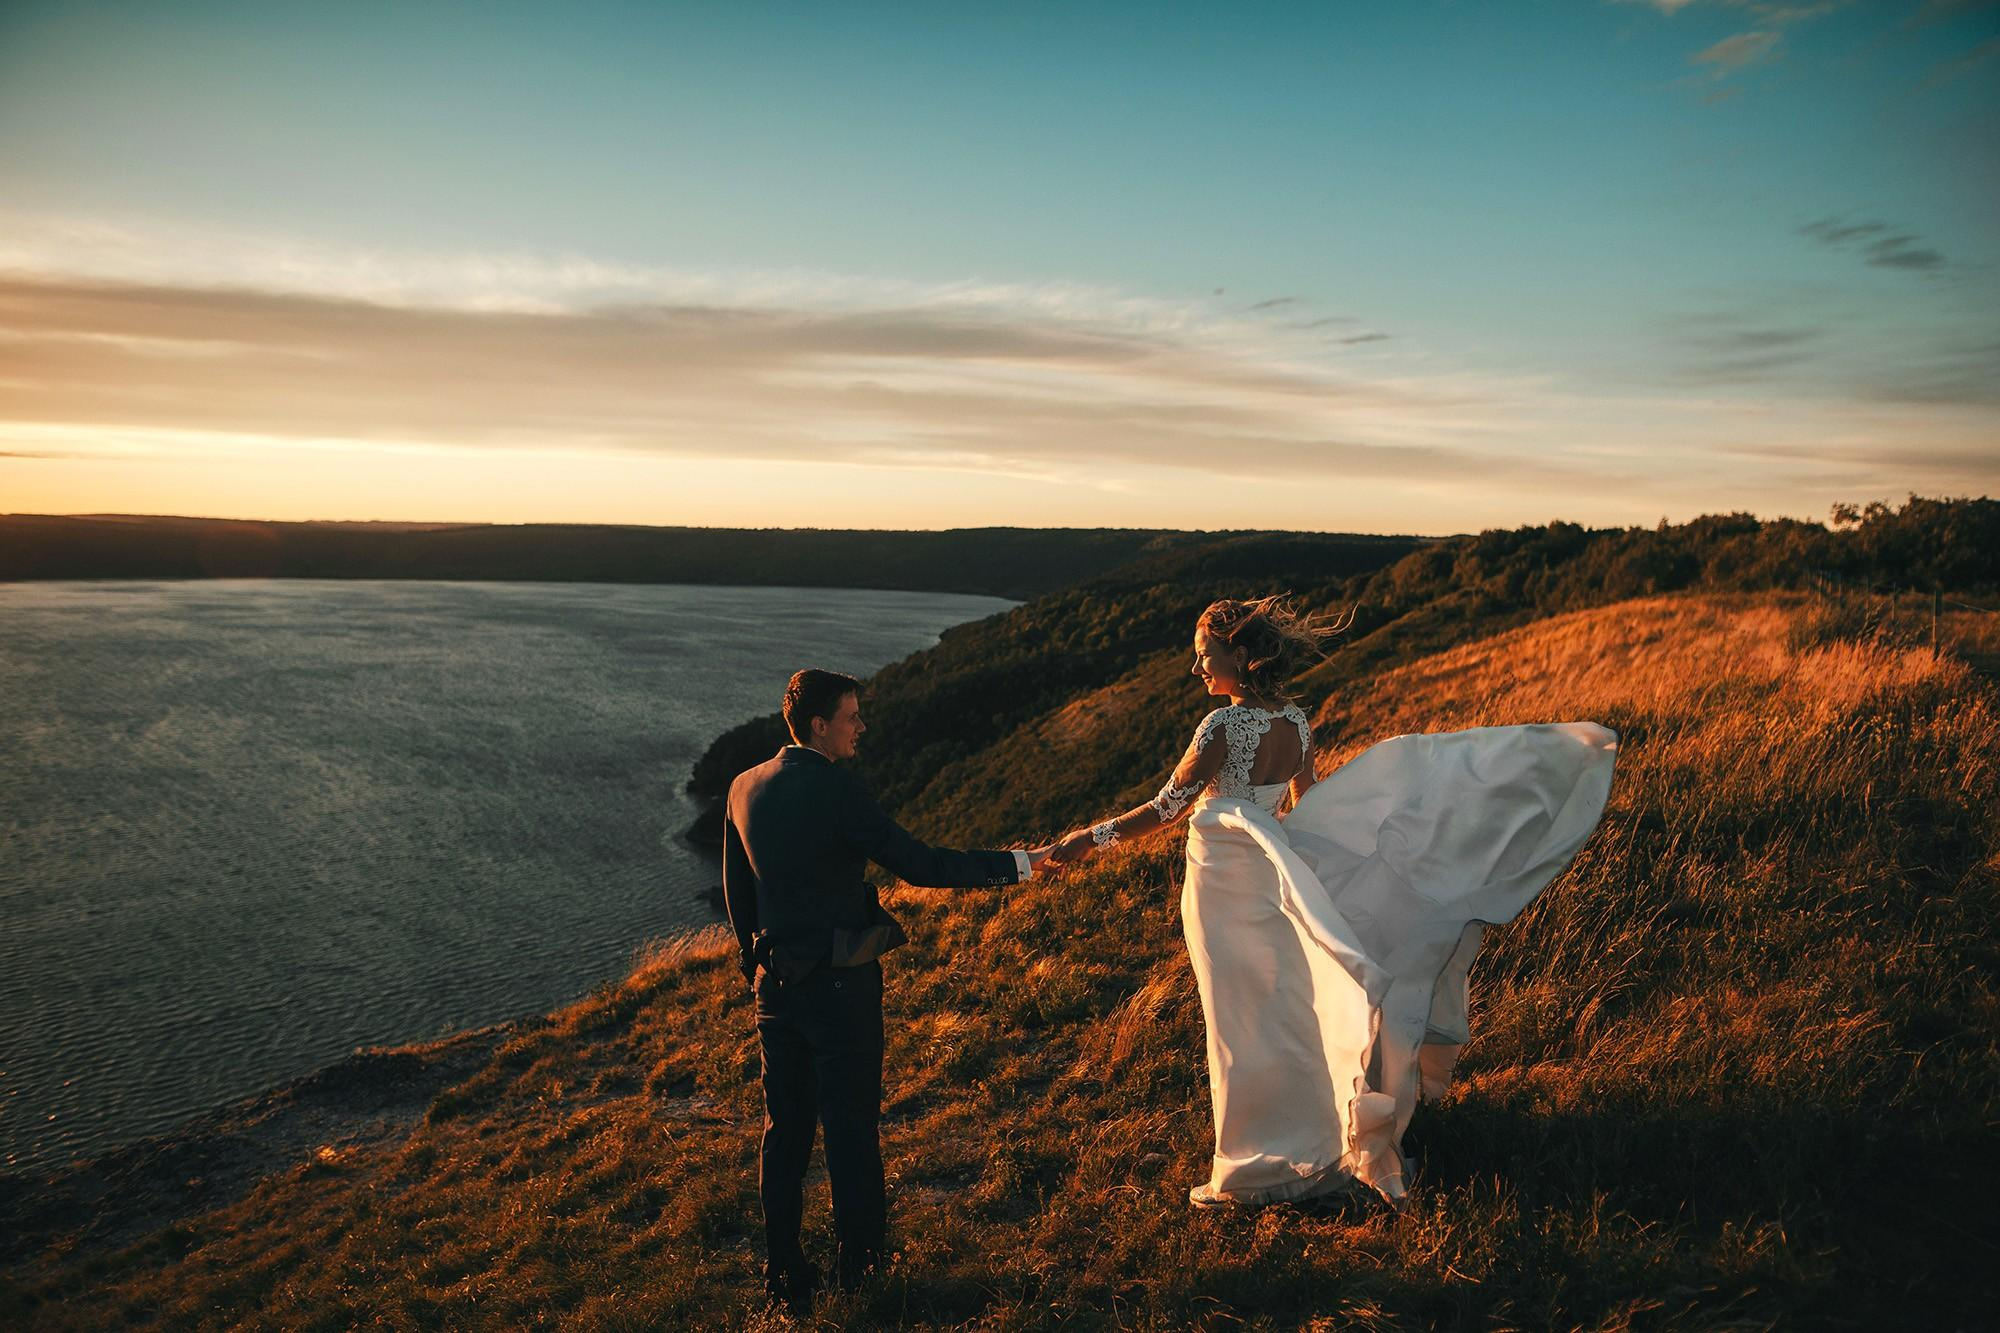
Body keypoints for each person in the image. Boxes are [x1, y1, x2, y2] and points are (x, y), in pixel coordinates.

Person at [1048, 596, 1616, 1210]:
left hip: (1223, 883)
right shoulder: (1295, 723)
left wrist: (1088, 839)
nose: (1197, 671)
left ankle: (1259, 1157)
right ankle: (1313, 1140)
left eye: (1205, 657)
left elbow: (1166, 808)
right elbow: (1307, 803)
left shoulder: (1220, 728)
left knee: (1241, 1019)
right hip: (1272, 874)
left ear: (1240, 657)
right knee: (1282, 1014)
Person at [723, 668, 1050, 1312]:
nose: (861, 727)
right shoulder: (838, 790)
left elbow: (740, 896)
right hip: (841, 988)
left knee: (783, 1133)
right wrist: (1018, 864)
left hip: (775, 988)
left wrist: (756, 967)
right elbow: (921, 864)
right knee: (849, 1132)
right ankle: (864, 1275)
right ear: (820, 725)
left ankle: (784, 1274)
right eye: (852, 716)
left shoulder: (742, 786)